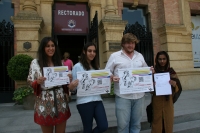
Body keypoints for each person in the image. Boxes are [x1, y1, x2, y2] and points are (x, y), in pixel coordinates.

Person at [105, 33, 152, 133]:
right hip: (123, 97)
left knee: (136, 125)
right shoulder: (115, 56)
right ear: (123, 44)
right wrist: (112, 76)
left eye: (132, 43)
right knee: (123, 126)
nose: (130, 45)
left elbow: (146, 70)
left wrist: (150, 71)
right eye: (127, 43)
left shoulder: (140, 56)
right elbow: (107, 72)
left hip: (139, 96)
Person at [27, 37, 71, 133]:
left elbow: (65, 83)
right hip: (44, 102)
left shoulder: (60, 62)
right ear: (43, 48)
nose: (51, 48)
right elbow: (30, 81)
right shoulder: (36, 63)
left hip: (61, 102)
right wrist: (37, 82)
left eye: (53, 46)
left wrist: (68, 78)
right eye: (48, 46)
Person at [68, 42, 108, 133]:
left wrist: (106, 83)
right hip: (84, 102)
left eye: (94, 51)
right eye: (89, 51)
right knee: (87, 128)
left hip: (97, 100)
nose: (92, 53)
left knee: (103, 126)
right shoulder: (77, 67)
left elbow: (99, 83)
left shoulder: (96, 67)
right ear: (84, 52)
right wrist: (71, 86)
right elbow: (72, 89)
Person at [151, 51, 181, 133]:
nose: (162, 61)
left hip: (168, 102)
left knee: (168, 122)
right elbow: (149, 89)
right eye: (160, 59)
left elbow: (179, 87)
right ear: (157, 60)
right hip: (157, 101)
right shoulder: (153, 72)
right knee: (157, 123)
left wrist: (175, 85)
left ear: (167, 59)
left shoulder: (171, 71)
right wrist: (152, 85)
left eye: (164, 59)